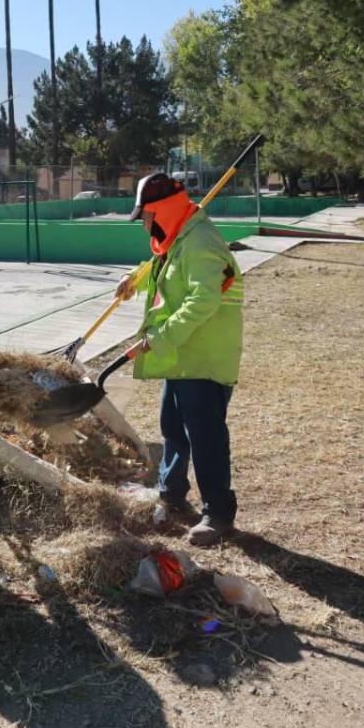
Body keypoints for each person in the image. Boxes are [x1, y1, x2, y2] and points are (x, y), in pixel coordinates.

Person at [117, 173, 244, 546]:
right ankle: (170, 491)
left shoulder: (201, 241)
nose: (144, 225)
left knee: (205, 436)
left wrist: (159, 338)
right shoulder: (180, 236)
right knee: (173, 427)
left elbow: (204, 298)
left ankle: (218, 514)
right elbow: (164, 267)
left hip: (204, 357)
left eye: (146, 217)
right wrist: (135, 279)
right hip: (184, 355)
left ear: (162, 211)